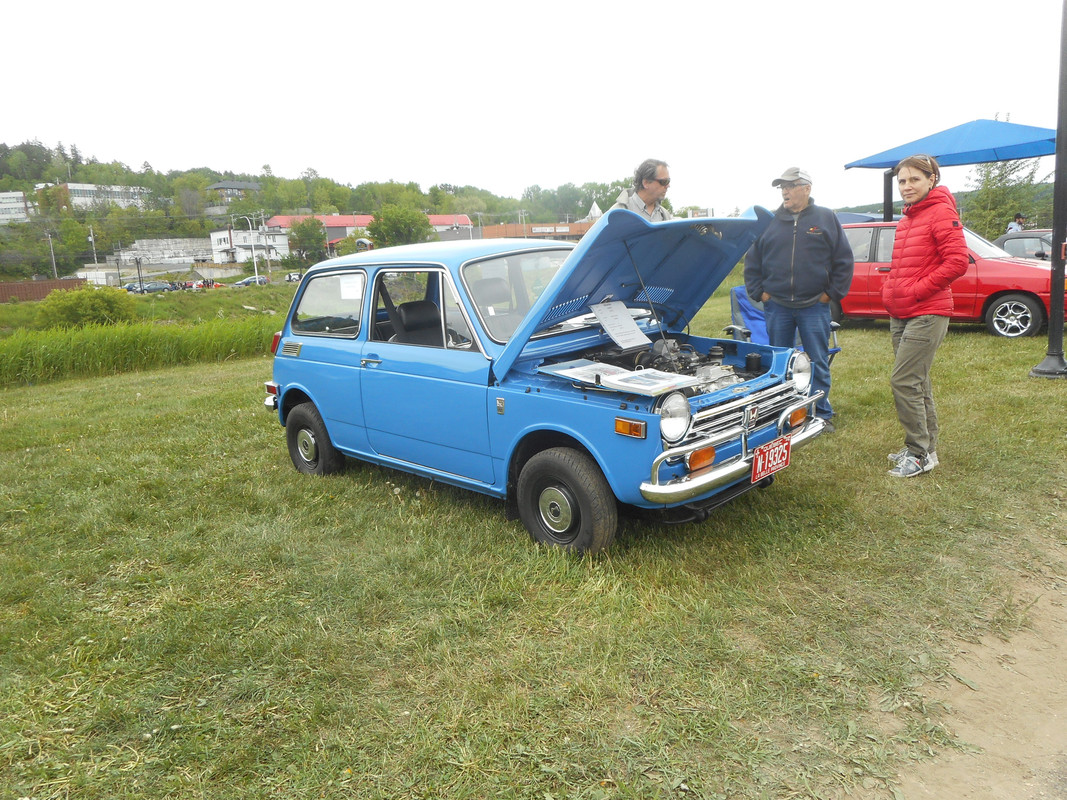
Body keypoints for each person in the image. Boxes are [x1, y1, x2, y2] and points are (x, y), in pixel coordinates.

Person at [744, 167, 854, 432]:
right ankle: (781, 413)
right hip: (778, 306)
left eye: (791, 186)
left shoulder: (826, 218)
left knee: (817, 360)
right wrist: (760, 293)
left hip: (814, 306)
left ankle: (820, 413)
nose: (785, 191)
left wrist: (830, 294)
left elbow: (844, 260)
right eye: (782, 186)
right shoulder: (769, 221)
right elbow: (752, 261)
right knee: (780, 362)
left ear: (807, 188)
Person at [882, 154, 968, 478]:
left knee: (903, 380)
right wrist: (891, 287)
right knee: (917, 381)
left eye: (914, 179)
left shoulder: (940, 212)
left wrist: (917, 290)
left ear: (932, 179)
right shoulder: (908, 218)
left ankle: (917, 454)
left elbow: (958, 261)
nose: (906, 186)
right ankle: (926, 449)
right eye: (902, 181)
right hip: (901, 311)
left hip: (927, 311)